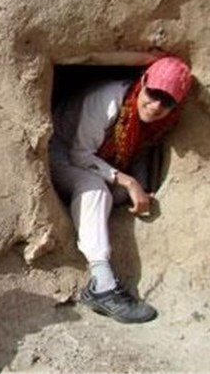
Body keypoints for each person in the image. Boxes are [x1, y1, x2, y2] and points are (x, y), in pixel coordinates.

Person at [49, 56, 192, 323]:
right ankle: (102, 285)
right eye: (154, 93)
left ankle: (88, 215)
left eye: (168, 101)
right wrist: (129, 182)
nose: (157, 105)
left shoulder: (157, 123)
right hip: (61, 150)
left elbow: (138, 153)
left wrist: (140, 187)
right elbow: (81, 155)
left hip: (98, 160)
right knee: (96, 189)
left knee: (115, 194)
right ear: (143, 81)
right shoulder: (108, 100)